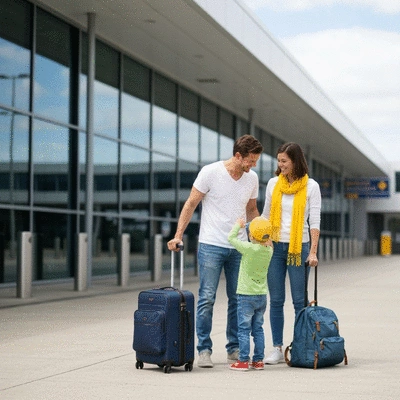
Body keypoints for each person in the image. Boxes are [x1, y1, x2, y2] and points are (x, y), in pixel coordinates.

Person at [167, 135, 263, 368]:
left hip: (239, 247)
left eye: (256, 161)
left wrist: (262, 237)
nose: (253, 165)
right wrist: (178, 235)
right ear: (238, 155)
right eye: (250, 160)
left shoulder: (252, 179)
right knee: (207, 298)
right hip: (211, 244)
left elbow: (252, 209)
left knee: (238, 300)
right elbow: (191, 203)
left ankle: (233, 348)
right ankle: (204, 349)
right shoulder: (210, 172)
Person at [262, 142, 321, 365]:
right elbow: (266, 215)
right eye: (278, 161)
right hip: (275, 247)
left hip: (300, 247)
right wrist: (264, 240)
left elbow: (314, 221)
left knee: (300, 301)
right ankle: (277, 348)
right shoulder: (273, 184)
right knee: (276, 300)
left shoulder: (311, 186)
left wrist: (313, 251)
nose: (280, 165)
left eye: (284, 161)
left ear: (295, 161)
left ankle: (299, 345)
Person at [227, 217, 273, 371]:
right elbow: (264, 237)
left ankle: (243, 361)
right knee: (258, 329)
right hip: (261, 296)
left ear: (251, 236)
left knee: (243, 330)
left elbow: (231, 238)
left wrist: (238, 225)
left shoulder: (248, 248)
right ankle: (259, 360)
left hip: (246, 296)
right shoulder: (269, 250)